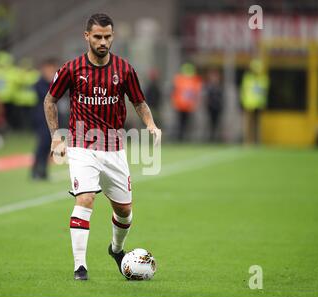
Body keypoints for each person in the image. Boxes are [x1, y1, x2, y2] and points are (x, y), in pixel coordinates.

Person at [44, 13, 161, 280]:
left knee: (125, 211)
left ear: (112, 36)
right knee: (85, 198)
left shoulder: (125, 69)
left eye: (107, 36)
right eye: (97, 36)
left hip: (114, 149)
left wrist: (151, 124)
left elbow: (139, 102)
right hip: (82, 145)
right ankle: (80, 267)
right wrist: (56, 136)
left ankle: (116, 249)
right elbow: (49, 101)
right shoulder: (71, 69)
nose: (103, 41)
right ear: (87, 37)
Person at [31, 58, 59, 180]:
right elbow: (48, 97)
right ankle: (35, 171)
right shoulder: (40, 83)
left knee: (48, 145)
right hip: (42, 118)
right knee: (42, 144)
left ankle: (43, 171)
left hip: (52, 118)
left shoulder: (54, 82)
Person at [240, 59, 269, 144]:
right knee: (249, 125)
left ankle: (257, 141)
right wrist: (243, 102)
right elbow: (244, 91)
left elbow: (264, 92)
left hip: (259, 104)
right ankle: (248, 141)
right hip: (248, 104)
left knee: (258, 125)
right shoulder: (248, 78)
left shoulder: (263, 78)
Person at [171, 63, 202, 141]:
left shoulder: (180, 79)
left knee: (184, 123)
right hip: (182, 105)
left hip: (186, 105)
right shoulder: (183, 79)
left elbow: (196, 93)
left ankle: (182, 137)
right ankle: (180, 137)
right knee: (182, 122)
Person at [204, 68, 223, 142]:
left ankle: (215, 137)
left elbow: (221, 97)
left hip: (217, 107)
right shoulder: (209, 86)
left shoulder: (219, 87)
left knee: (216, 123)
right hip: (210, 107)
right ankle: (210, 137)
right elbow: (207, 97)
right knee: (210, 122)